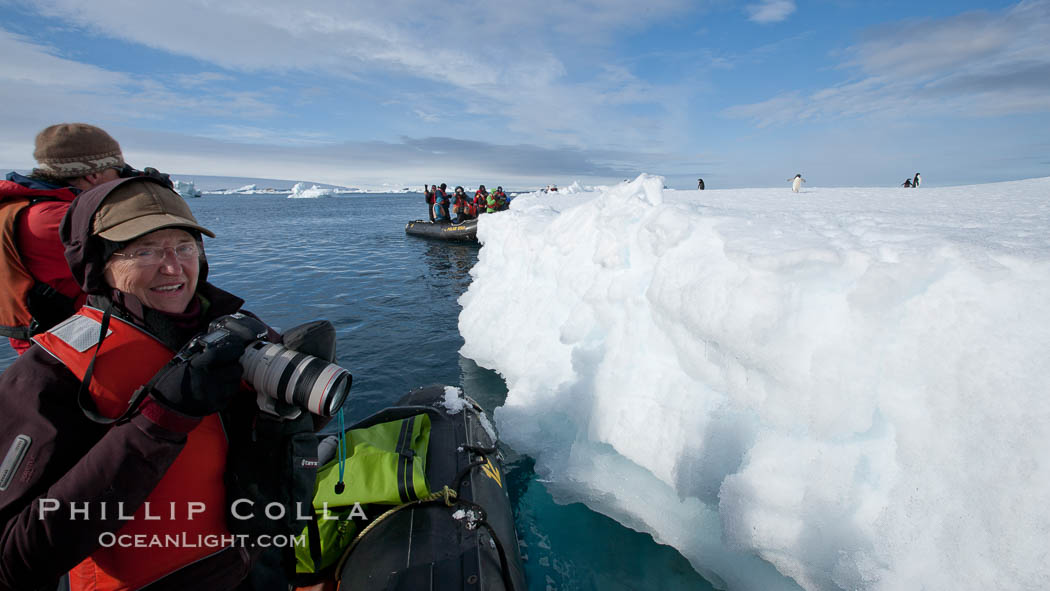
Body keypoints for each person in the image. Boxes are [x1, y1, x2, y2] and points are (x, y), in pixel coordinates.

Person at [0, 177, 324, 590]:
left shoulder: (240, 332)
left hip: (260, 568)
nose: (172, 267)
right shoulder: (54, 373)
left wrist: (295, 411)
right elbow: (13, 563)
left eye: (184, 247)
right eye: (143, 250)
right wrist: (160, 418)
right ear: (99, 263)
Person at [1, 123, 171, 355]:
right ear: (93, 175)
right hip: (73, 349)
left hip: (64, 338)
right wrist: (156, 195)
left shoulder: (25, 206)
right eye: (117, 172)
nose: (120, 181)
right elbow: (150, 252)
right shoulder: (55, 220)